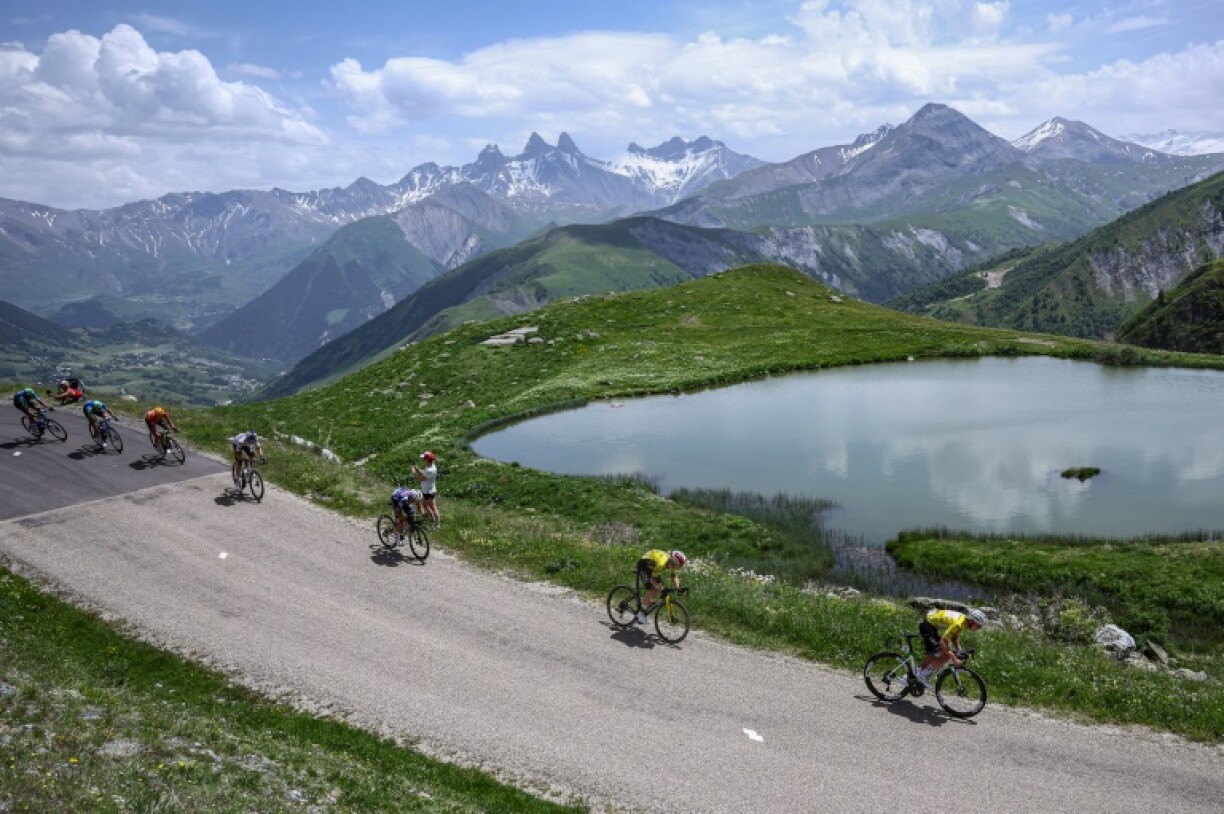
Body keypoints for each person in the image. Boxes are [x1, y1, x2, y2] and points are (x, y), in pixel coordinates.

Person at [915, 606, 987, 687]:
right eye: (979, 626)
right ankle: (921, 676)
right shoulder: (958, 624)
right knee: (944, 656)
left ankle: (912, 676)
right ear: (972, 621)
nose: (979, 628)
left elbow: (954, 637)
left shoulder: (963, 622)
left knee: (934, 655)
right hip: (927, 626)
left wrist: (959, 651)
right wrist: (954, 658)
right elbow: (943, 642)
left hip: (930, 624)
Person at [634, 549, 688, 625]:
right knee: (652, 590)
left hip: (653, 567)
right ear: (674, 562)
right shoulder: (661, 564)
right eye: (680, 565)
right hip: (644, 566)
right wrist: (660, 588)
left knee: (658, 590)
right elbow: (652, 579)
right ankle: (640, 614)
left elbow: (674, 577)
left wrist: (678, 588)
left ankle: (645, 601)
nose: (681, 566)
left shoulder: (671, 563)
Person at [411, 451, 440, 527]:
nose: (423, 459)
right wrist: (417, 469)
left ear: (427, 460)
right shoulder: (430, 466)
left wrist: (413, 473)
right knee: (424, 505)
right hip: (427, 490)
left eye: (424, 458)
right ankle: (432, 519)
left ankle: (437, 525)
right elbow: (424, 473)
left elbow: (419, 479)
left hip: (429, 492)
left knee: (433, 508)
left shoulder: (430, 470)